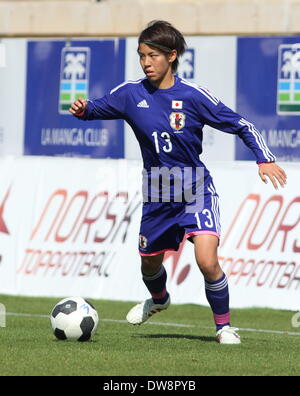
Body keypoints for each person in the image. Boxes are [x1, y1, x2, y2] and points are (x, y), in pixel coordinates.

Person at [69, 20, 287, 344]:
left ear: (172, 56)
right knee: (149, 266)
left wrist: (264, 157)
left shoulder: (193, 96)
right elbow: (97, 108)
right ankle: (159, 299)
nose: (146, 62)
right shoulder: (131, 93)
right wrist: (84, 109)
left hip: (194, 185)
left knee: (207, 260)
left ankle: (223, 327)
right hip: (158, 188)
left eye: (153, 55)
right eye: (142, 55)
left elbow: (241, 124)